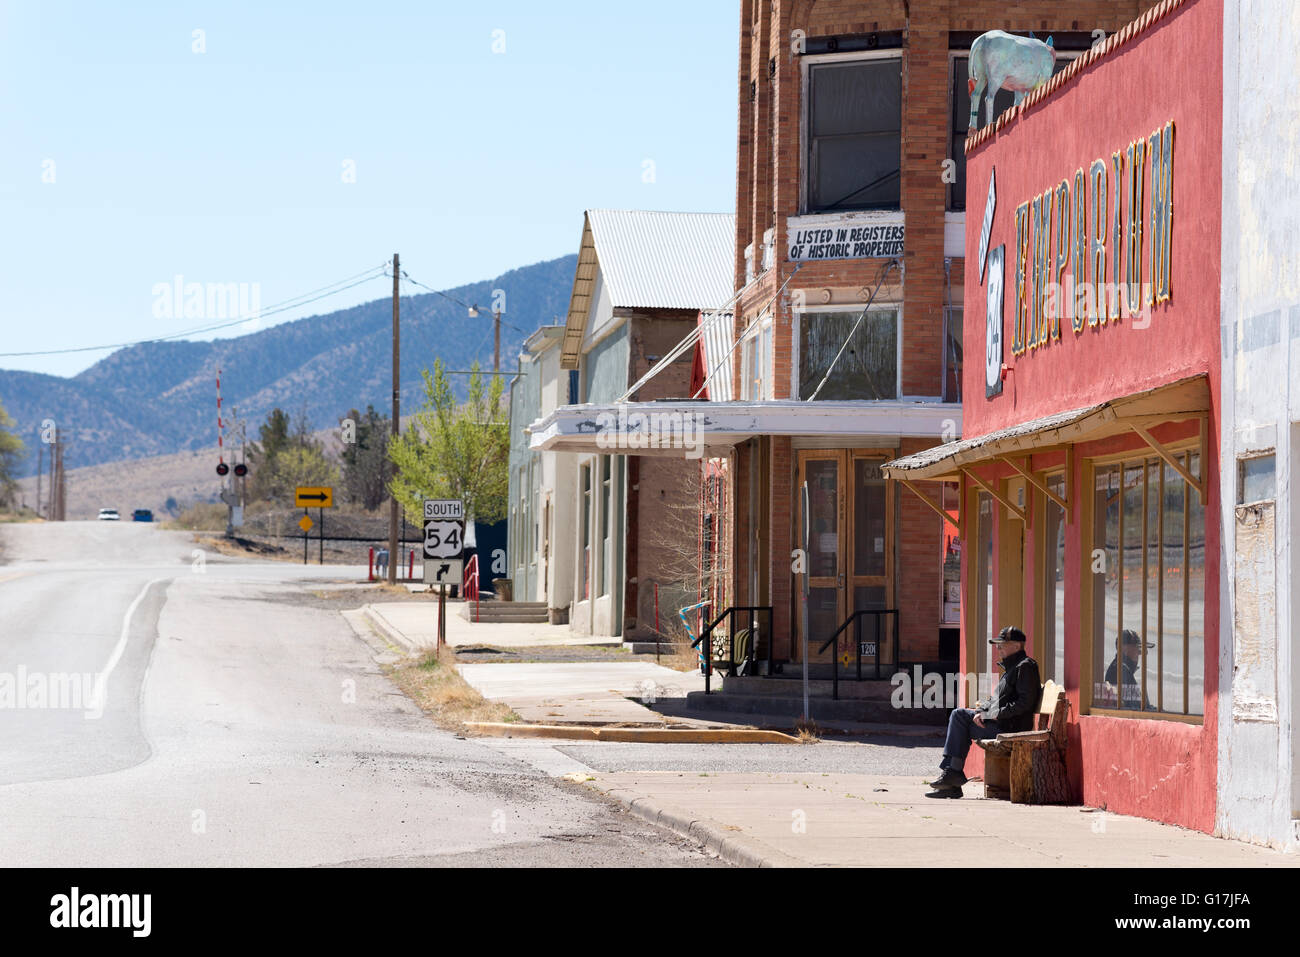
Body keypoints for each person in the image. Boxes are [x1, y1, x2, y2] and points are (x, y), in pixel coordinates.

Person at [927, 625, 1041, 798]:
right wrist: (981, 710)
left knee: (959, 717)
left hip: (1011, 728)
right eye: (997, 644)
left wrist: (991, 715)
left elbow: (1025, 704)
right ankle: (952, 778)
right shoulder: (1011, 668)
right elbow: (993, 700)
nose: (998, 648)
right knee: (960, 715)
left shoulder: (1025, 667)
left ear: (1017, 646)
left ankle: (953, 777)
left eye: (1002, 644)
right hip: (1001, 723)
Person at [1104, 629, 1152, 708]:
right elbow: (1131, 706)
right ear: (1125, 649)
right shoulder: (1120, 670)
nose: (1139, 654)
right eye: (1137, 648)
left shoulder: (1122, 668)